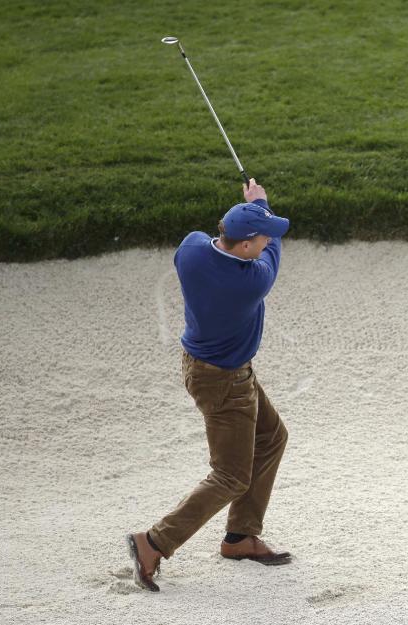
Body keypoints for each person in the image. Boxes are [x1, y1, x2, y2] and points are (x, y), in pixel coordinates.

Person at [126, 179, 292, 592]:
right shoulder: (252, 280)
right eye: (263, 236)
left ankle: (240, 537)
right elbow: (273, 252)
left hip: (207, 368)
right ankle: (153, 542)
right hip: (224, 382)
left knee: (271, 437)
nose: (269, 240)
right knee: (231, 475)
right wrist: (261, 202)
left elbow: (234, 238)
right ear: (247, 246)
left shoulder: (192, 250)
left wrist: (249, 212)